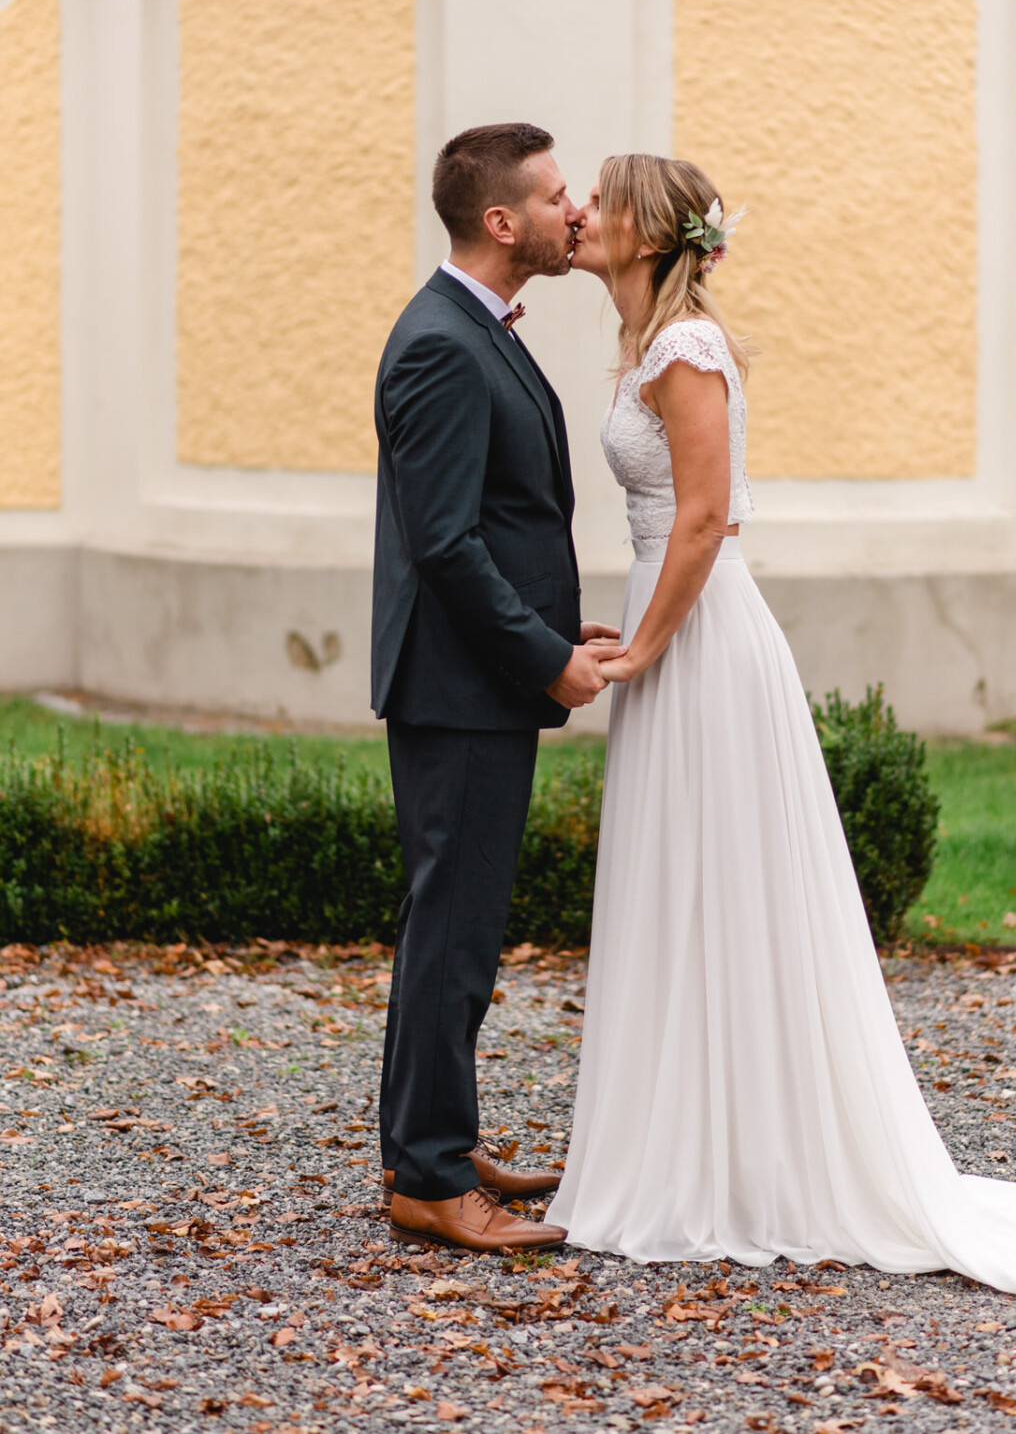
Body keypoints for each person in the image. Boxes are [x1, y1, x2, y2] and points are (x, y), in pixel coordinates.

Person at [550, 150, 1016, 1305]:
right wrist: (633, 628)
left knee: (725, 884)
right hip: (669, 624)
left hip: (703, 640)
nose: (582, 215)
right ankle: (689, 1147)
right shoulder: (643, 348)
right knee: (680, 886)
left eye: (600, 200)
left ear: (648, 235)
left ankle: (744, 1164)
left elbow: (703, 521)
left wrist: (645, 647)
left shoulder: (689, 352)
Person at [371, 122, 624, 1254]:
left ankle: (439, 1138)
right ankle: (427, 1178)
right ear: (500, 221)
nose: (577, 213)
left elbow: (498, 523)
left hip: (479, 674)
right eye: (559, 197)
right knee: (454, 932)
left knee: (453, 925)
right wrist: (544, 659)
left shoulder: (477, 331)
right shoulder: (439, 342)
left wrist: (554, 625)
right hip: (460, 687)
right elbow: (444, 546)